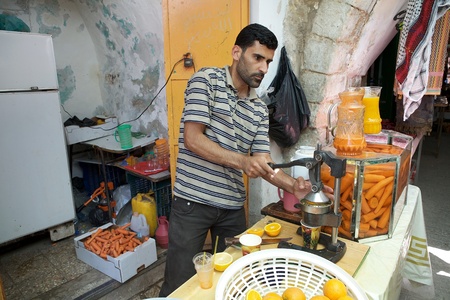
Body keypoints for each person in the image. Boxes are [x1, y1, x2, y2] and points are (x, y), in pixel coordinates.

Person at [159, 23, 319, 296]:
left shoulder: (258, 108)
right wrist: (242, 162)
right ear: (236, 52)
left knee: (236, 278)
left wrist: (294, 187)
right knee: (181, 283)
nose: (264, 69)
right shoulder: (205, 81)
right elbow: (193, 139)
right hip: (192, 203)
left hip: (232, 208)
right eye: (257, 58)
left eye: (268, 61)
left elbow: (262, 160)